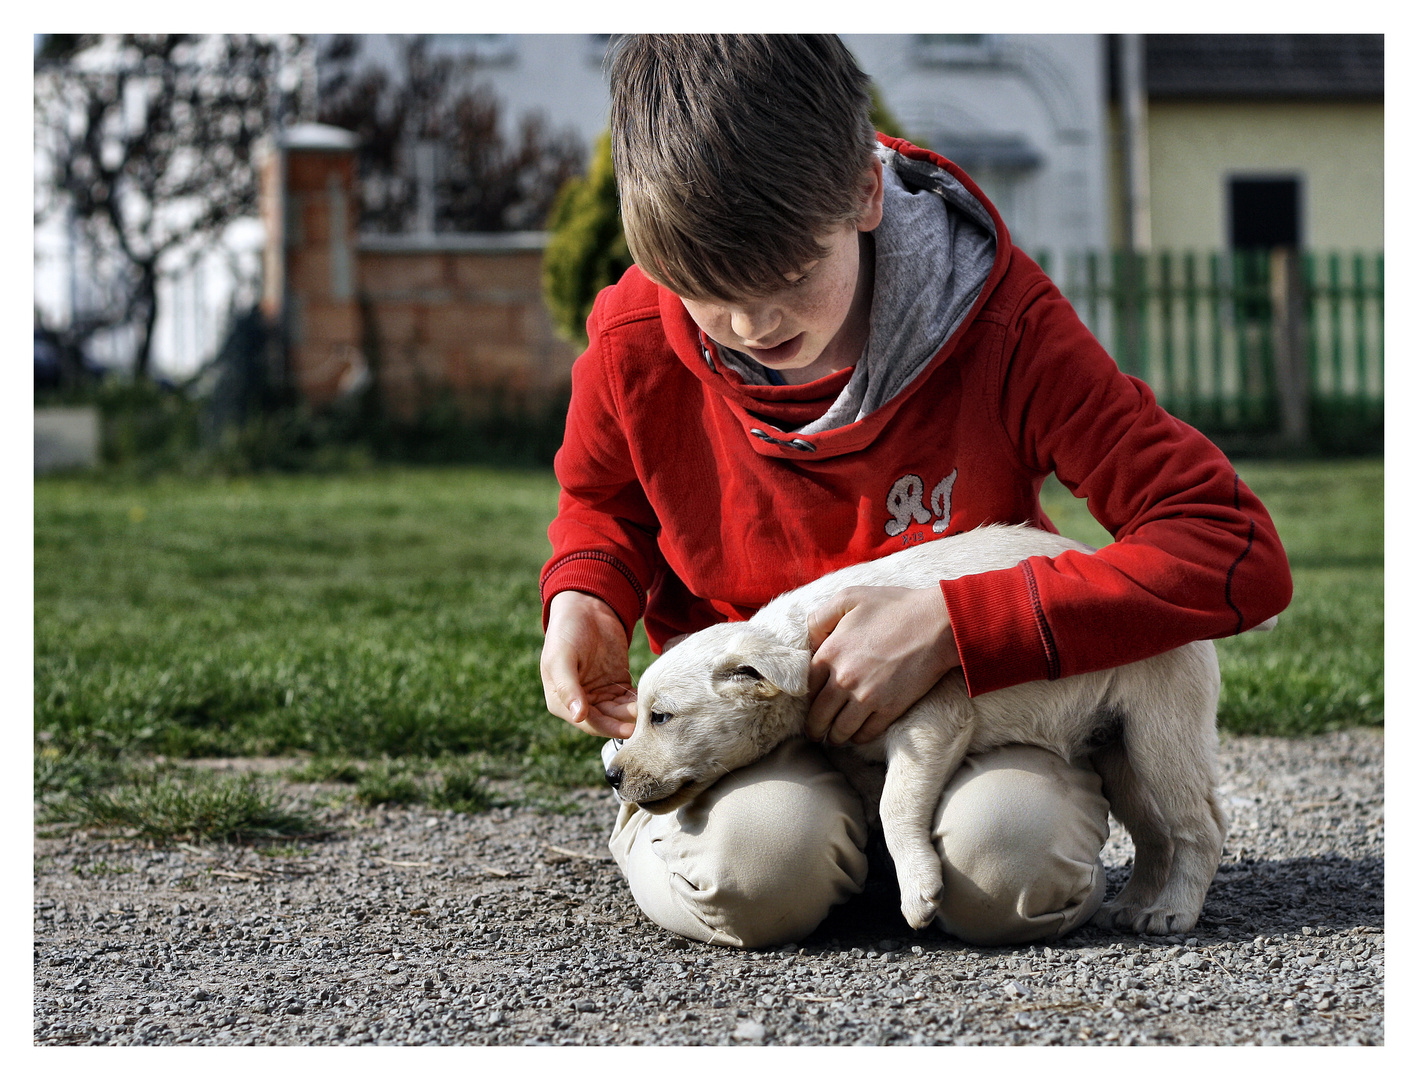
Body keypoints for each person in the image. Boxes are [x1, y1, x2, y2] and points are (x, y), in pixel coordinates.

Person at [538, 34, 1291, 949]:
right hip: (762, 741)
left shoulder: (1002, 322)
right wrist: (585, 592)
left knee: (1013, 866)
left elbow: (1228, 548)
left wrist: (954, 625)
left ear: (864, 191)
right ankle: (800, 850)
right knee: (758, 871)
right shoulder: (630, 340)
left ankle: (897, 859)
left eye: (787, 278)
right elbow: (604, 504)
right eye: (701, 291)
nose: (748, 326)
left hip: (972, 722)